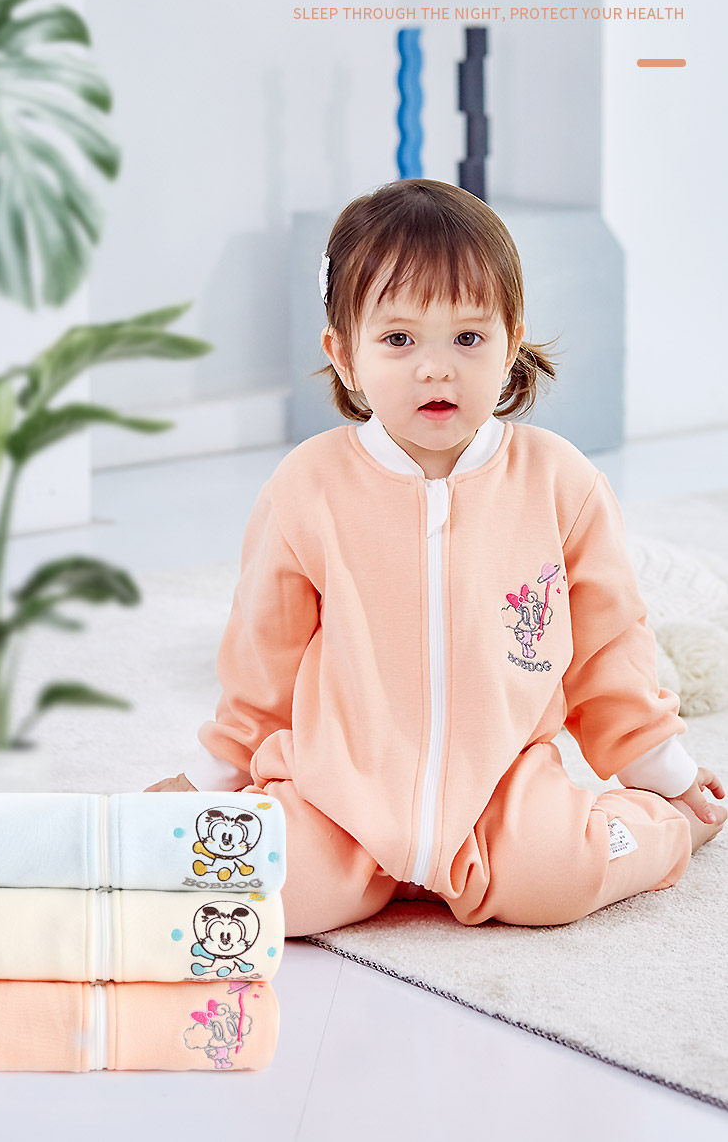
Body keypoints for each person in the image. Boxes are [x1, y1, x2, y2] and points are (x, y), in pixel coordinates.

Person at [145, 178, 726, 936]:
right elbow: (263, 664)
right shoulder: (306, 488)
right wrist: (208, 780)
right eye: (398, 339)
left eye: (468, 338)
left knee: (555, 878)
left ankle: (663, 831)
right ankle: (336, 863)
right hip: (340, 791)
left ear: (511, 343)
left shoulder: (561, 482)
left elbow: (609, 652)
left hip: (501, 792)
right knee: (268, 887)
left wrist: (666, 774)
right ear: (344, 354)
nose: (435, 368)